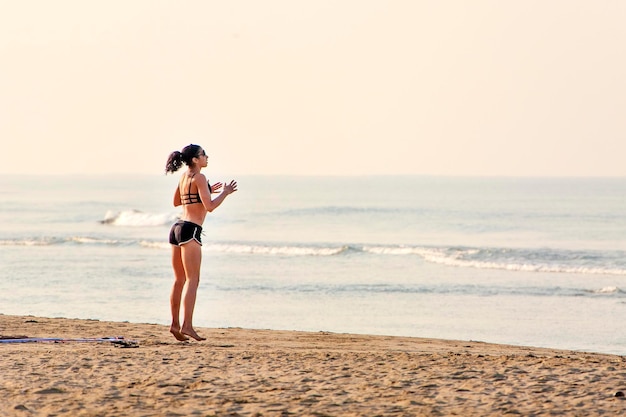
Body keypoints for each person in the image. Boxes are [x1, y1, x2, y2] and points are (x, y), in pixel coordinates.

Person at [164, 144, 237, 341]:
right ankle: (187, 326)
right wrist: (225, 192)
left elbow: (178, 202)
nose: (206, 157)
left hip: (177, 228)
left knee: (179, 280)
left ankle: (175, 324)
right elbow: (210, 207)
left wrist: (204, 191)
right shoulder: (200, 177)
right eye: (203, 154)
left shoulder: (184, 177)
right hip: (190, 230)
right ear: (195, 160)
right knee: (193, 280)